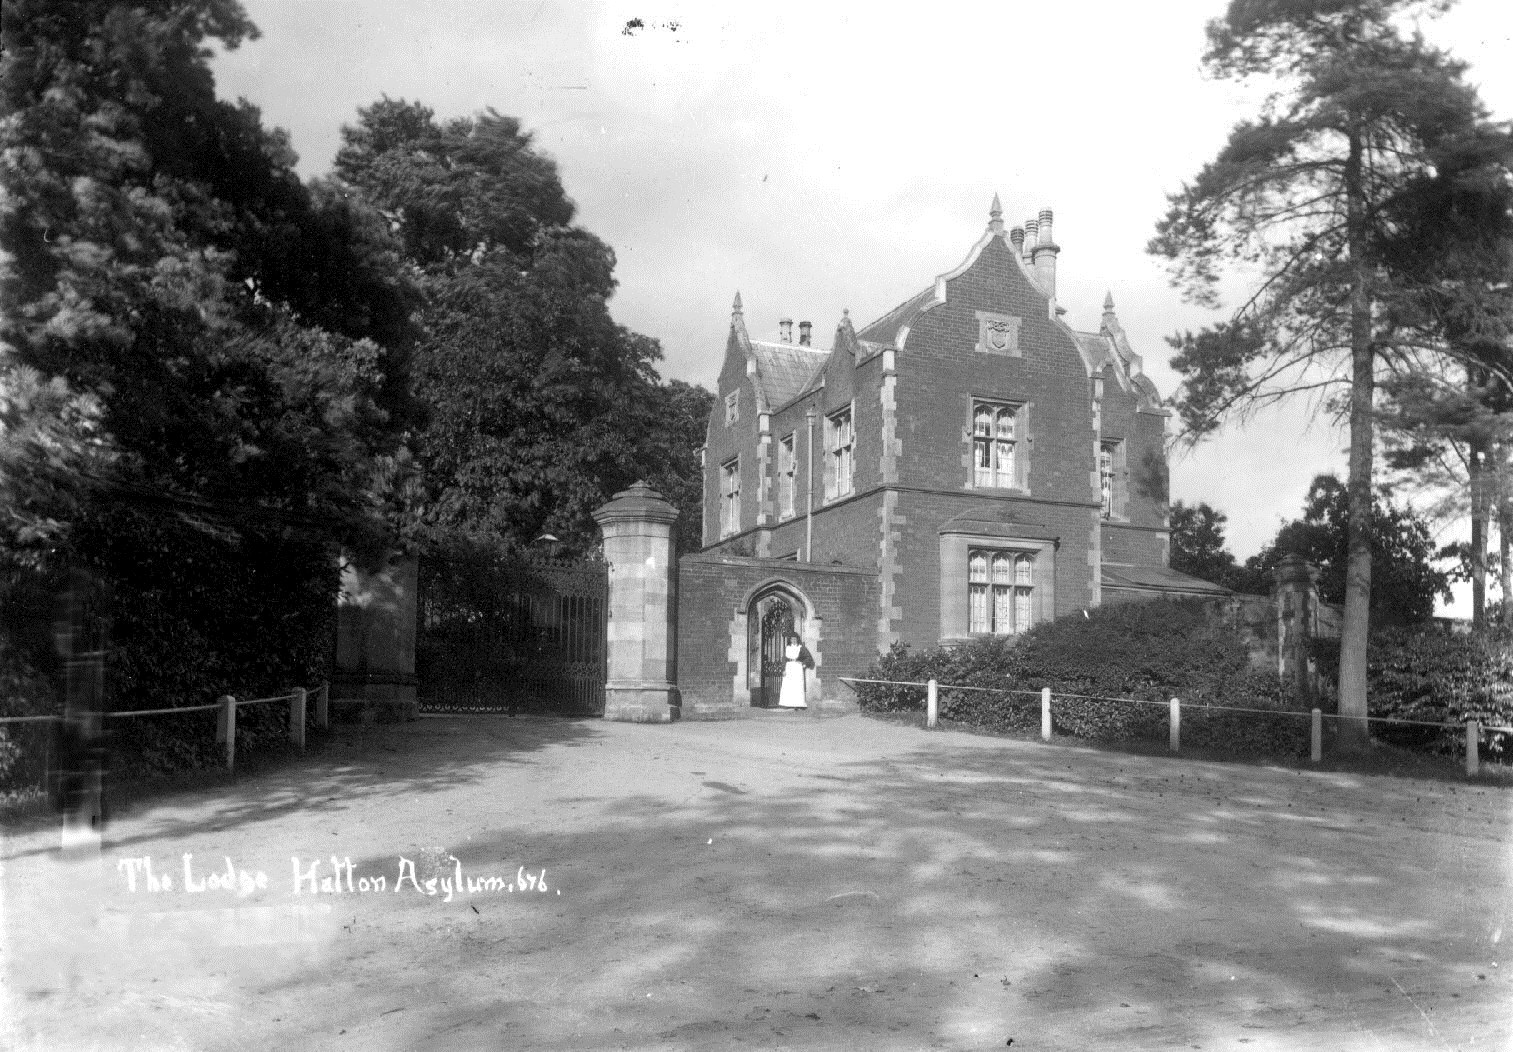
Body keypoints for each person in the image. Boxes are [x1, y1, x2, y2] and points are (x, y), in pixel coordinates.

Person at [778, 633, 809, 710]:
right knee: (788, 685)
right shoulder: (787, 647)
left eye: (795, 639)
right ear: (790, 640)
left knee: (797, 684)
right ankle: (787, 703)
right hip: (789, 667)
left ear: (797, 640)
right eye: (792, 639)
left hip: (797, 667)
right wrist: (783, 669)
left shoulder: (801, 647)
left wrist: (804, 664)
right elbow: (784, 659)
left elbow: (808, 657)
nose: (793, 641)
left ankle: (798, 704)